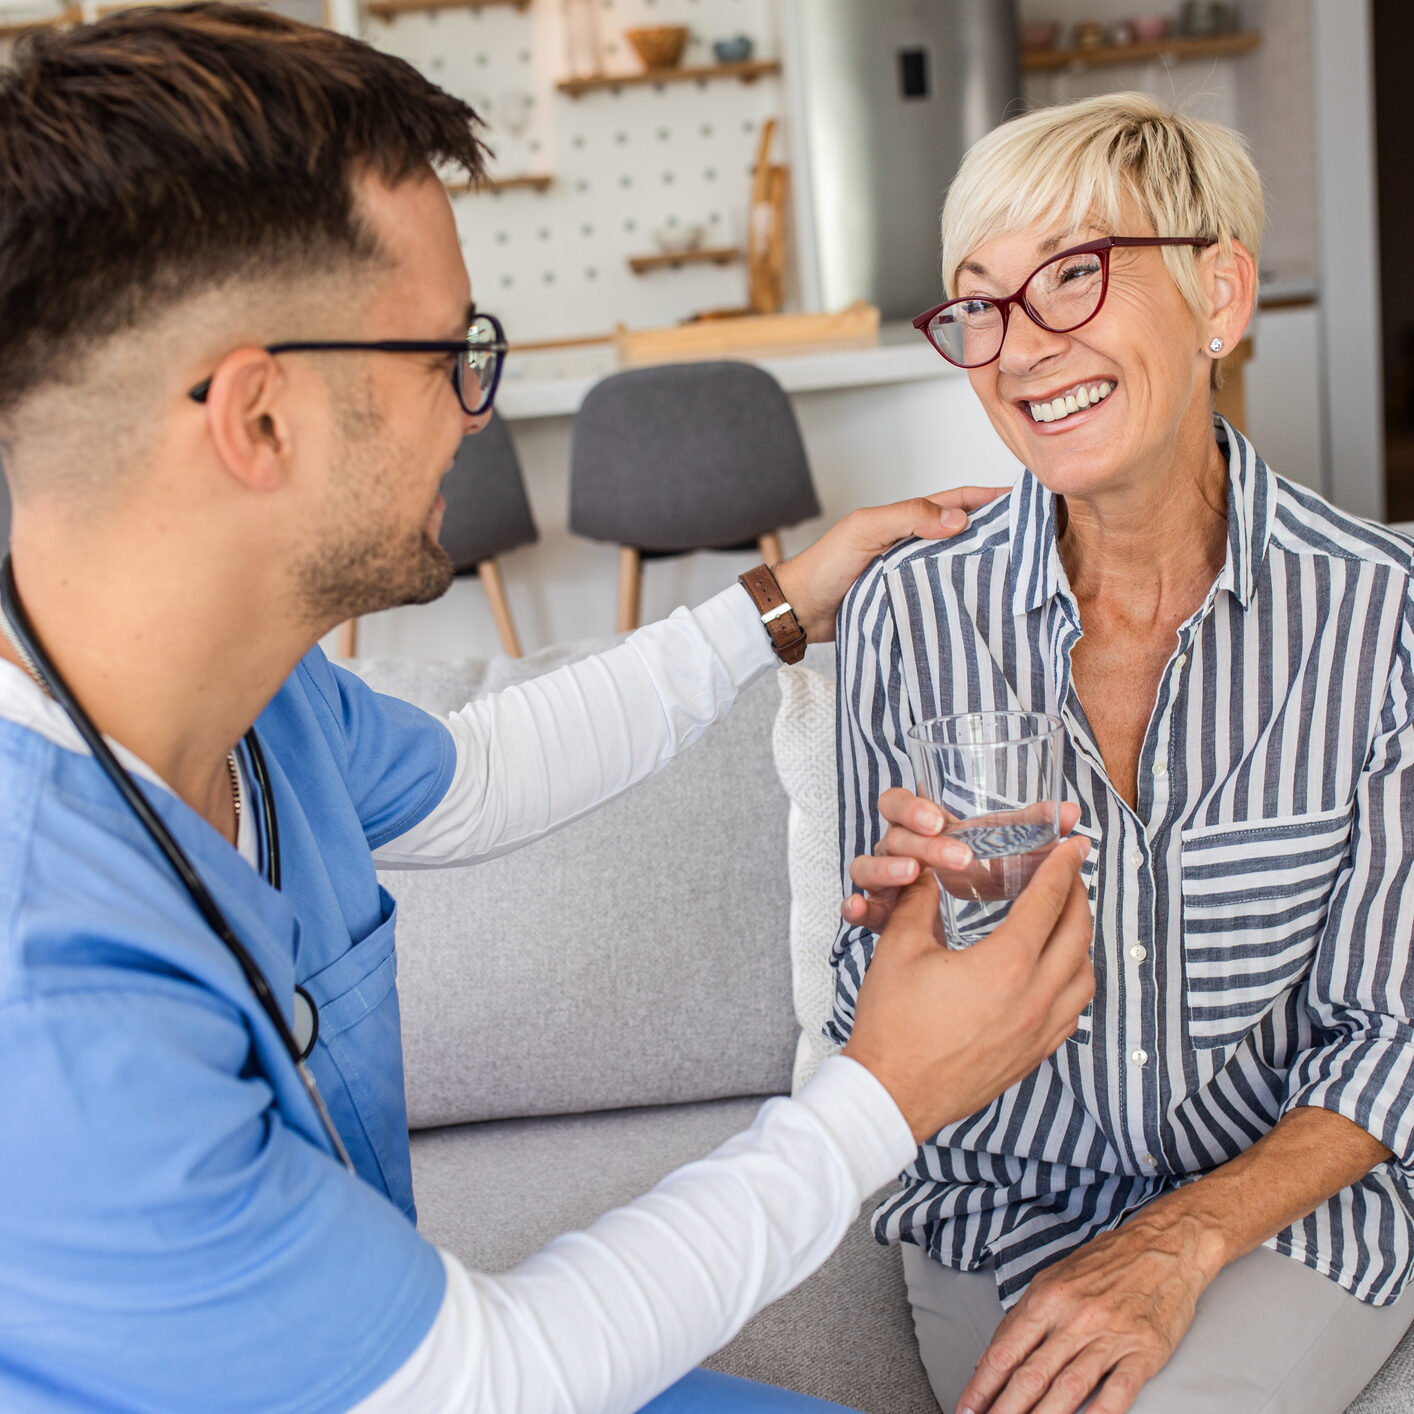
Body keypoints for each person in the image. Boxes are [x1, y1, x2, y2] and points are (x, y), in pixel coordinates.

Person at [0, 8, 1097, 1412]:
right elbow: (485, 1376)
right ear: (258, 420)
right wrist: (884, 1091)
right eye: (448, 355)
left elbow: (484, 774)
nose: (477, 409)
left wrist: (782, 603)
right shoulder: (51, 1000)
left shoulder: (247, 708)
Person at [832, 92, 1414, 1414]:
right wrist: (900, 946)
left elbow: (1395, 1030)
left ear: (1217, 294)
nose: (1020, 346)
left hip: (1287, 1212)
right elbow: (855, 1003)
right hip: (1002, 1207)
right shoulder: (906, 614)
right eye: (979, 304)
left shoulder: (1384, 614)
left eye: (1074, 276)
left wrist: (1177, 1240)